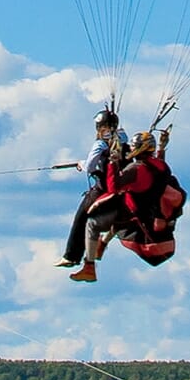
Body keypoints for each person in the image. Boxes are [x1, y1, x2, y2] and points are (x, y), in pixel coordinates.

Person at [70, 126, 179, 282]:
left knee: (93, 223)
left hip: (134, 213)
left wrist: (113, 163)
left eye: (133, 147)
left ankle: (89, 267)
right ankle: (102, 244)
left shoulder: (135, 169)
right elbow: (159, 165)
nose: (130, 149)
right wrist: (162, 147)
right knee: (117, 213)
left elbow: (114, 187)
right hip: (148, 211)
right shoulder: (160, 166)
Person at [55, 108, 127, 268]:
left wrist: (80, 164)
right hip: (123, 187)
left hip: (103, 189)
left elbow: (90, 167)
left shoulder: (100, 144)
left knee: (81, 218)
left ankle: (71, 256)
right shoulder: (124, 138)